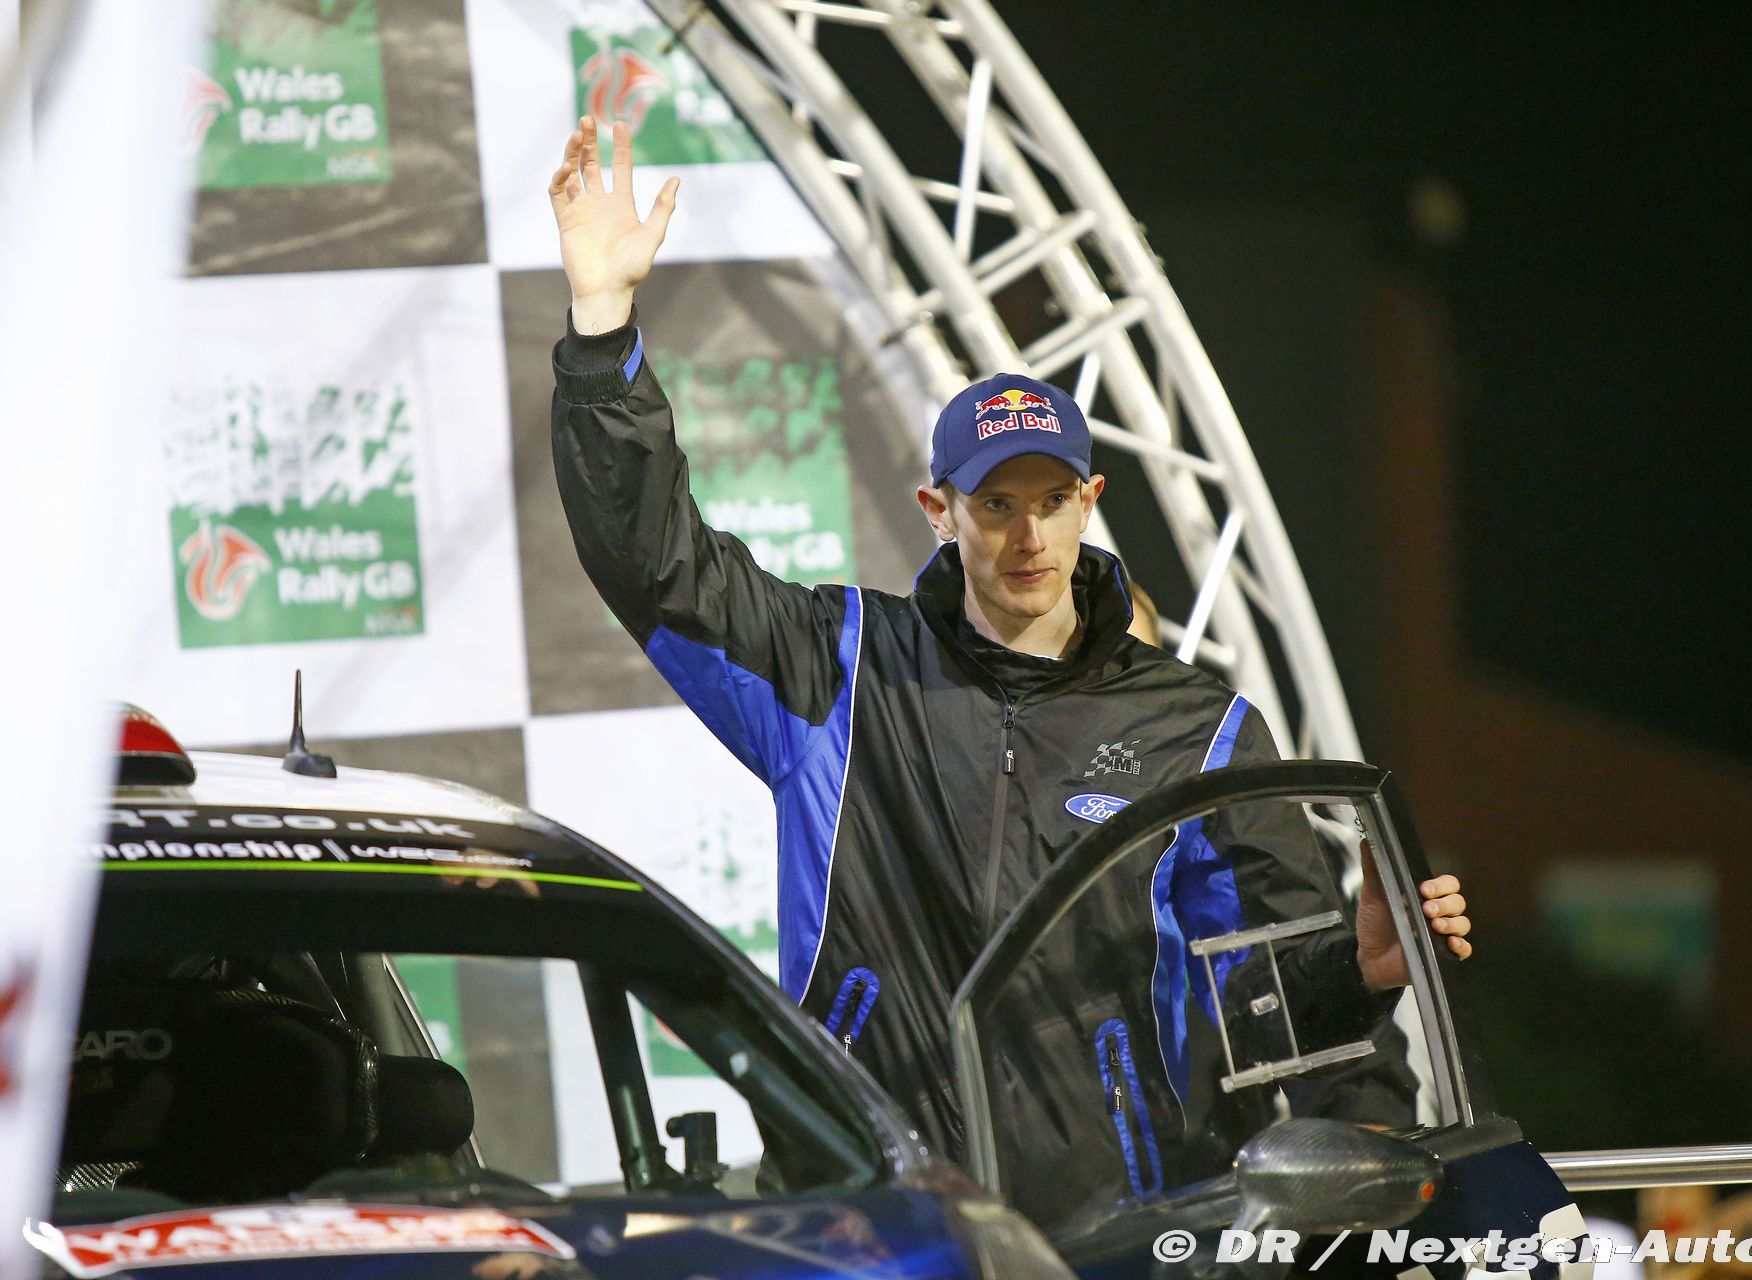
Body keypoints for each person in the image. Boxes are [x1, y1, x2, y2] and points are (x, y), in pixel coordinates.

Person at [546, 117, 1471, 1201]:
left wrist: (1353, 972)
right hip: (872, 1216)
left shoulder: (1202, 730)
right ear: (938, 509)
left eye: (1051, 499)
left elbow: (1258, 1020)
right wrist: (603, 327)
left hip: (1111, 1239)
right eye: (995, 503)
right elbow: (652, 564)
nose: (1027, 535)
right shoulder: (841, 665)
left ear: (1090, 501)